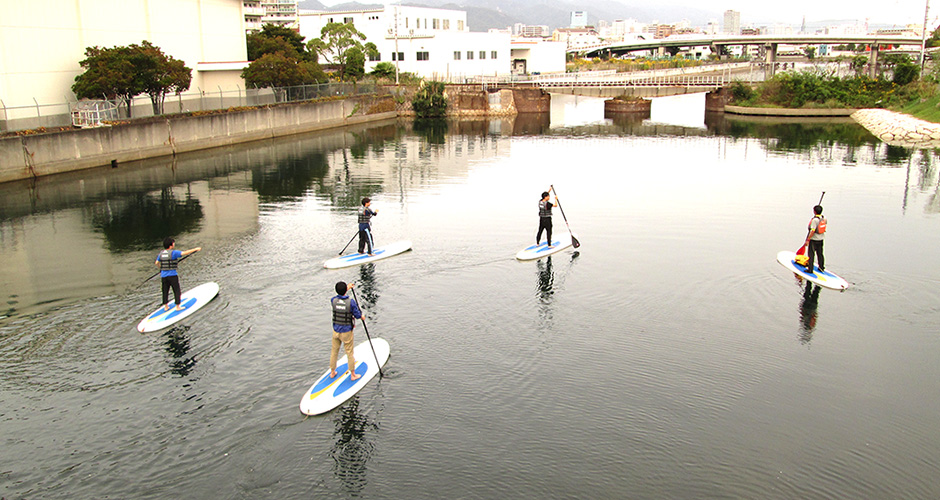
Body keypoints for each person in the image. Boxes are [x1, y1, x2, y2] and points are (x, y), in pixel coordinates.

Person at [155, 237, 201, 311]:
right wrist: (195, 249)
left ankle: (166, 306)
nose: (174, 244)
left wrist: (161, 268)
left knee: (165, 291)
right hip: (172, 275)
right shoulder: (174, 253)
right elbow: (184, 253)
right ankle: (178, 307)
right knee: (176, 290)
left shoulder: (161, 253)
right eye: (173, 243)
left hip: (163, 276)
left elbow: (156, 263)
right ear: (171, 245)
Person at [330, 281, 362, 381]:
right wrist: (362, 316)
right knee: (349, 352)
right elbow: (357, 315)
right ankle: (353, 375)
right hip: (346, 331)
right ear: (345, 291)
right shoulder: (351, 302)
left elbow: (340, 299)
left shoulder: (333, 300)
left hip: (336, 331)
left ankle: (332, 372)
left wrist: (346, 288)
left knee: (334, 351)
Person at [804, 205, 826, 273]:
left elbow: (812, 231)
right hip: (821, 239)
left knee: (811, 254)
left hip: (814, 240)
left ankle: (810, 269)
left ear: (814, 211)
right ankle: (821, 267)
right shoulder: (824, 218)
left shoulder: (815, 220)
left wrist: (808, 240)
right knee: (820, 254)